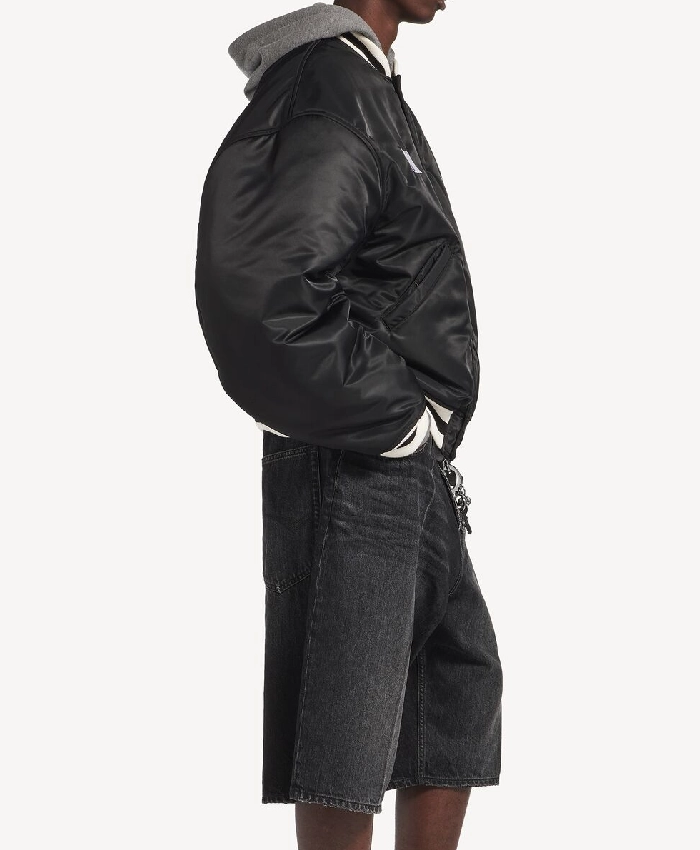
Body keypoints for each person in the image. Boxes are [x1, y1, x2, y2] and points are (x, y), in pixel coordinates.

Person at [194, 2, 502, 847]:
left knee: (452, 692)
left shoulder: (364, 84)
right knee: (347, 729)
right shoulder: (329, 83)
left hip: (407, 459)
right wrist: (397, 419)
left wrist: (421, 434)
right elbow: (260, 292)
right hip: (359, 451)